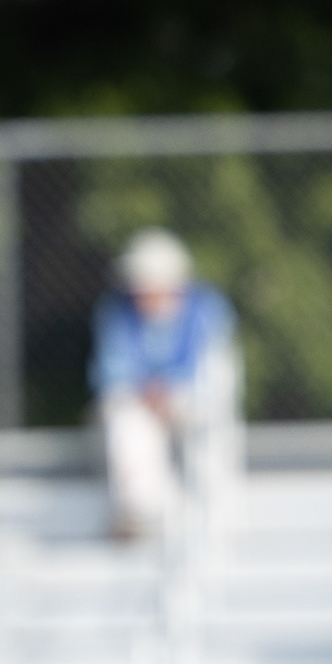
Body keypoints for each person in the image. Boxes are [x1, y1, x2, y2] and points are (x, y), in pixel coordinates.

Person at [92, 229, 240, 540]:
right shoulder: (118, 312)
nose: (141, 292)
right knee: (125, 421)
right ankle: (143, 512)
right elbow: (112, 370)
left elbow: (210, 371)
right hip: (143, 402)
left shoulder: (206, 309)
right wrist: (146, 393)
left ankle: (216, 515)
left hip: (193, 401)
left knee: (208, 430)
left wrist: (173, 392)